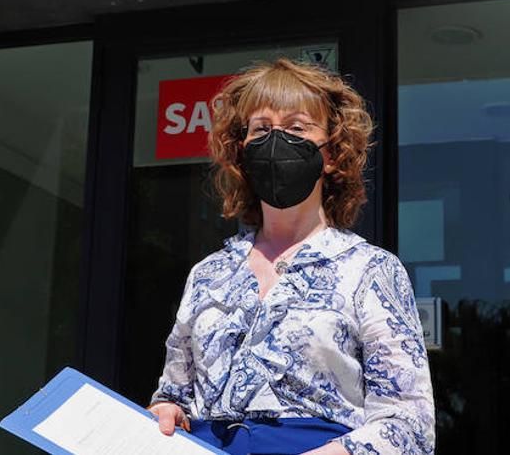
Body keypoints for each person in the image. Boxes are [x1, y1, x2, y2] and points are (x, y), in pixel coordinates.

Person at [147, 58, 435, 455]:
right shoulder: (208, 274)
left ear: (331, 154)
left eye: (297, 127)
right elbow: (174, 394)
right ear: (242, 152)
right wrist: (165, 411)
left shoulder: (369, 269)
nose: (276, 140)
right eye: (261, 129)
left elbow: (409, 424)